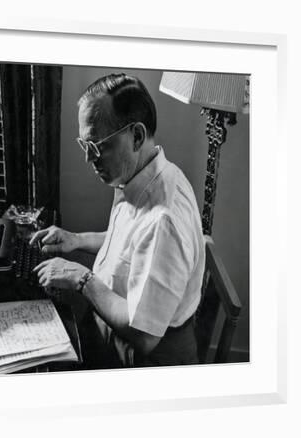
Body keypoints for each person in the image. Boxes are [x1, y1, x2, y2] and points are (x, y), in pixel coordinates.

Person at [31, 73, 205, 367]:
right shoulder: (140, 174)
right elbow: (130, 244)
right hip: (109, 328)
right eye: (84, 145)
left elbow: (144, 334)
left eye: (97, 146)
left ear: (136, 136)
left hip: (144, 358)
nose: (89, 159)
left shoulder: (165, 221)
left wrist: (80, 278)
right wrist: (77, 240)